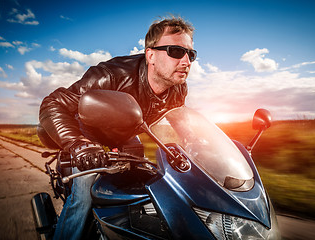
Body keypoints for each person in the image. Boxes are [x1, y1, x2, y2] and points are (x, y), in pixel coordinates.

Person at [38, 16, 197, 240]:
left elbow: (180, 120)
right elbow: (53, 103)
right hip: (86, 133)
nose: (186, 61)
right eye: (176, 51)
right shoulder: (111, 75)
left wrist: (198, 145)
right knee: (84, 195)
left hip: (124, 132)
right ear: (150, 55)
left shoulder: (177, 87)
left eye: (191, 54)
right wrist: (79, 145)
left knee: (144, 185)